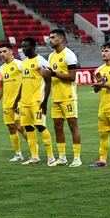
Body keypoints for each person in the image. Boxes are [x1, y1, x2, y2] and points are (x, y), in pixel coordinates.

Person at [39, 29, 82, 167]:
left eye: (53, 37)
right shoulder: (51, 56)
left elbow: (72, 76)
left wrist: (54, 74)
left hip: (68, 96)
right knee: (57, 126)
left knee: (72, 126)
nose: (49, 40)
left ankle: (77, 158)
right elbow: (50, 78)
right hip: (56, 98)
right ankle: (62, 157)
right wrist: (45, 100)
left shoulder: (69, 54)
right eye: (49, 37)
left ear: (61, 39)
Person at [16, 37, 56, 166]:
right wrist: (17, 100)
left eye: (26, 46)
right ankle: (34, 156)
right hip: (25, 102)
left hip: (37, 101)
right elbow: (23, 83)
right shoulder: (23, 63)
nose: (23, 49)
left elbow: (49, 82)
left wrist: (45, 102)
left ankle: (51, 156)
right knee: (28, 128)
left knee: (40, 126)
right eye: (22, 47)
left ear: (33, 47)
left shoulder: (41, 61)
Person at [0, 42, 28, 161]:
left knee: (19, 125)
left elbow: (27, 82)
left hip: (19, 102)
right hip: (7, 103)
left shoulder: (19, 64)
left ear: (11, 51)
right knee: (11, 127)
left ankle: (34, 146)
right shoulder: (1, 68)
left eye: (4, 51)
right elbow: (1, 87)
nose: (2, 54)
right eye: (0, 52)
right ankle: (18, 154)